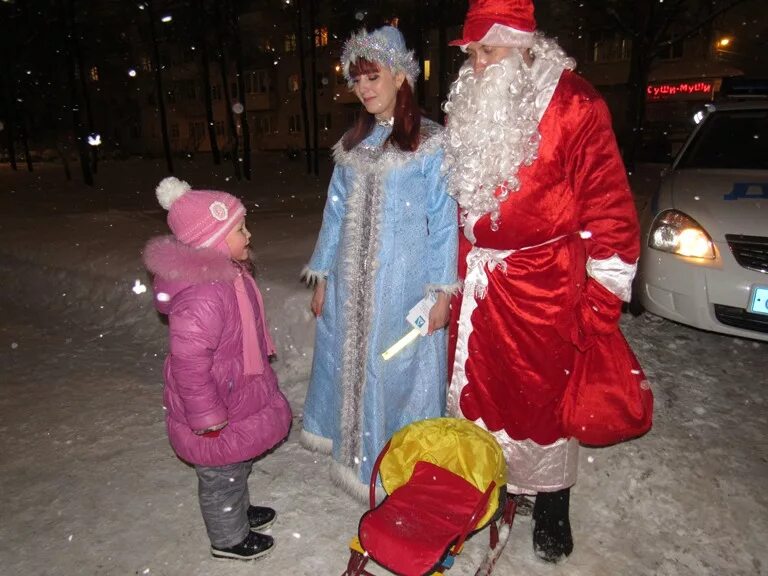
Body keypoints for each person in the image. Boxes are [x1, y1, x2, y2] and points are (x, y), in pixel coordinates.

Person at [442, 0, 644, 564]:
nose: (478, 66)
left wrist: (599, 303)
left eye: (489, 51)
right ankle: (500, 484)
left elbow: (612, 215)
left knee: (542, 398)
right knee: (485, 392)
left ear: (524, 44)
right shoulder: (474, 104)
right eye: (472, 53)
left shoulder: (576, 104)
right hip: (482, 280)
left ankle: (552, 502)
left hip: (545, 284)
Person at [300, 26, 459, 501]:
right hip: (350, 287)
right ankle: (354, 463)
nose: (363, 88)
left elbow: (444, 221)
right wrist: (323, 276)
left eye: (372, 76)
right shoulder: (352, 144)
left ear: (399, 75)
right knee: (351, 366)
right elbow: (334, 212)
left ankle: (402, 467)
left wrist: (440, 292)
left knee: (399, 374)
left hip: (403, 288)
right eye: (356, 80)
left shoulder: (429, 142)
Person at [143, 177, 292, 561]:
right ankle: (227, 537)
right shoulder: (204, 294)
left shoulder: (228, 276)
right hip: (212, 403)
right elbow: (188, 363)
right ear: (212, 240)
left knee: (234, 462)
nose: (249, 233)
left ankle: (238, 512)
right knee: (220, 473)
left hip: (233, 390)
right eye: (239, 228)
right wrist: (206, 415)